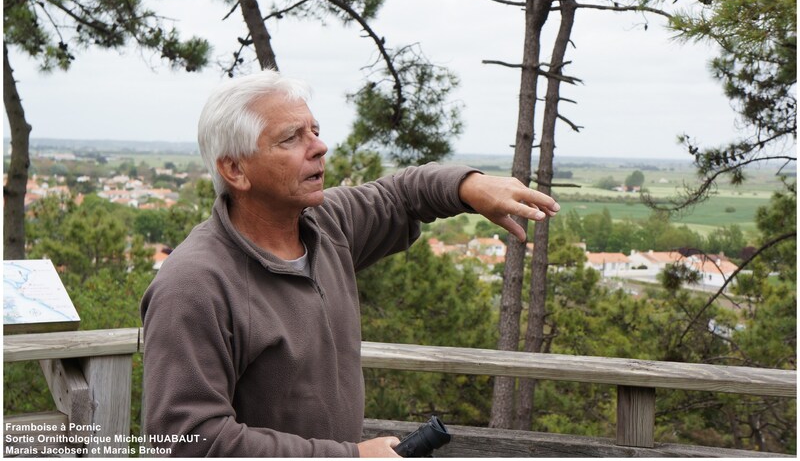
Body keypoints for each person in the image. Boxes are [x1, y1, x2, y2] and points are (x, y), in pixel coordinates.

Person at [140, 70, 559, 457]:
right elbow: (185, 440)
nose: (319, 147)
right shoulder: (194, 285)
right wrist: (349, 456)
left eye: (315, 131)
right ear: (235, 169)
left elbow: (403, 194)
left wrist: (470, 186)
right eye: (291, 139)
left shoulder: (328, 224)